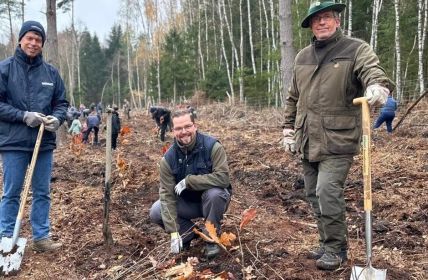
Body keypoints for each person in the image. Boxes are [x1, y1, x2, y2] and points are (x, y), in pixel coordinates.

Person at [282, 1, 394, 271]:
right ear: (310, 25)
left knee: (327, 191)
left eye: (327, 17)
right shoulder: (302, 57)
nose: (321, 23)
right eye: (316, 19)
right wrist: (287, 129)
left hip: (338, 137)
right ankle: (326, 242)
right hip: (307, 137)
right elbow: (293, 97)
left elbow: (372, 70)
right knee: (312, 193)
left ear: (337, 21)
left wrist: (377, 86)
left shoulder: (355, 49)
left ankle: (336, 249)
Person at [0, 20, 68, 252]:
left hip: (43, 143)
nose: (33, 43)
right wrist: (23, 115)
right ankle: (6, 237)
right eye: (29, 38)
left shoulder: (51, 73)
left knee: (42, 191)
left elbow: (62, 103)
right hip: (13, 142)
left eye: (38, 40)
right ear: (20, 40)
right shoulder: (5, 69)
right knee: (11, 192)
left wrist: (57, 119)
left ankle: (41, 237)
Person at [149, 110, 232, 259]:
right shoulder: (168, 159)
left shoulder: (213, 147)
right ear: (173, 131)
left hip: (213, 201)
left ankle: (210, 239)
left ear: (195, 126)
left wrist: (190, 181)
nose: (184, 132)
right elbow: (167, 195)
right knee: (157, 210)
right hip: (188, 203)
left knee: (215, 194)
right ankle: (188, 236)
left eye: (188, 126)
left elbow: (223, 178)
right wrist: (174, 232)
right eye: (179, 128)